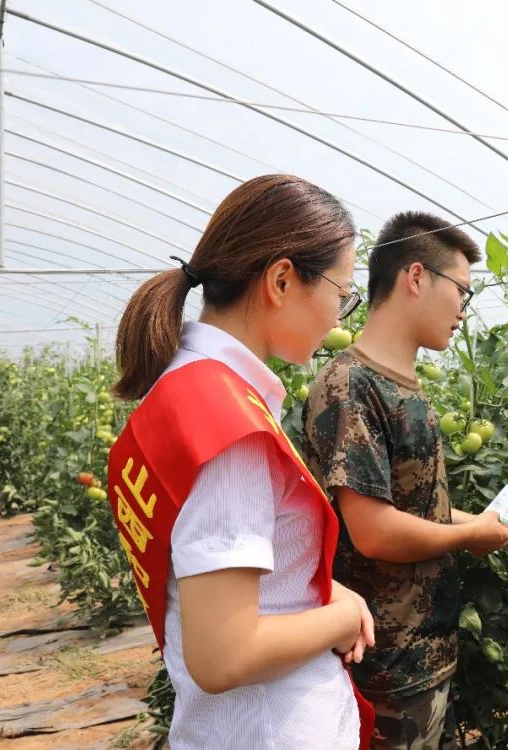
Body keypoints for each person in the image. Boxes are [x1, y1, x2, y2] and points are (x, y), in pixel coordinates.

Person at [106, 175, 374, 749]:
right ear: (282, 280)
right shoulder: (226, 423)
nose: (340, 316)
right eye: (342, 293)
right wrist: (345, 616)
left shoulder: (186, 387)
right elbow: (224, 654)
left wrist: (326, 591)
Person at [304, 211, 508, 749]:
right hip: (385, 668)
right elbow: (375, 532)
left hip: (423, 655)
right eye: (462, 291)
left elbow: (413, 505)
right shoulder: (351, 386)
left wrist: (477, 521)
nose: (464, 310)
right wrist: (470, 535)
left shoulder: (401, 385)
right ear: (416, 277)